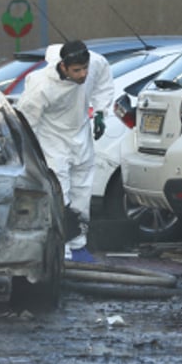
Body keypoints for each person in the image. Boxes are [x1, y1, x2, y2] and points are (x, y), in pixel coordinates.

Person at [16, 40, 111, 263]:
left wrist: (100, 112)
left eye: (85, 68)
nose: (83, 74)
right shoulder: (41, 87)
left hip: (80, 136)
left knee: (82, 193)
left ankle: (78, 247)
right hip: (53, 142)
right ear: (63, 66)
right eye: (76, 70)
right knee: (61, 196)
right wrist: (31, 154)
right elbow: (27, 123)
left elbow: (103, 81)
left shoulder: (95, 63)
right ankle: (62, 251)